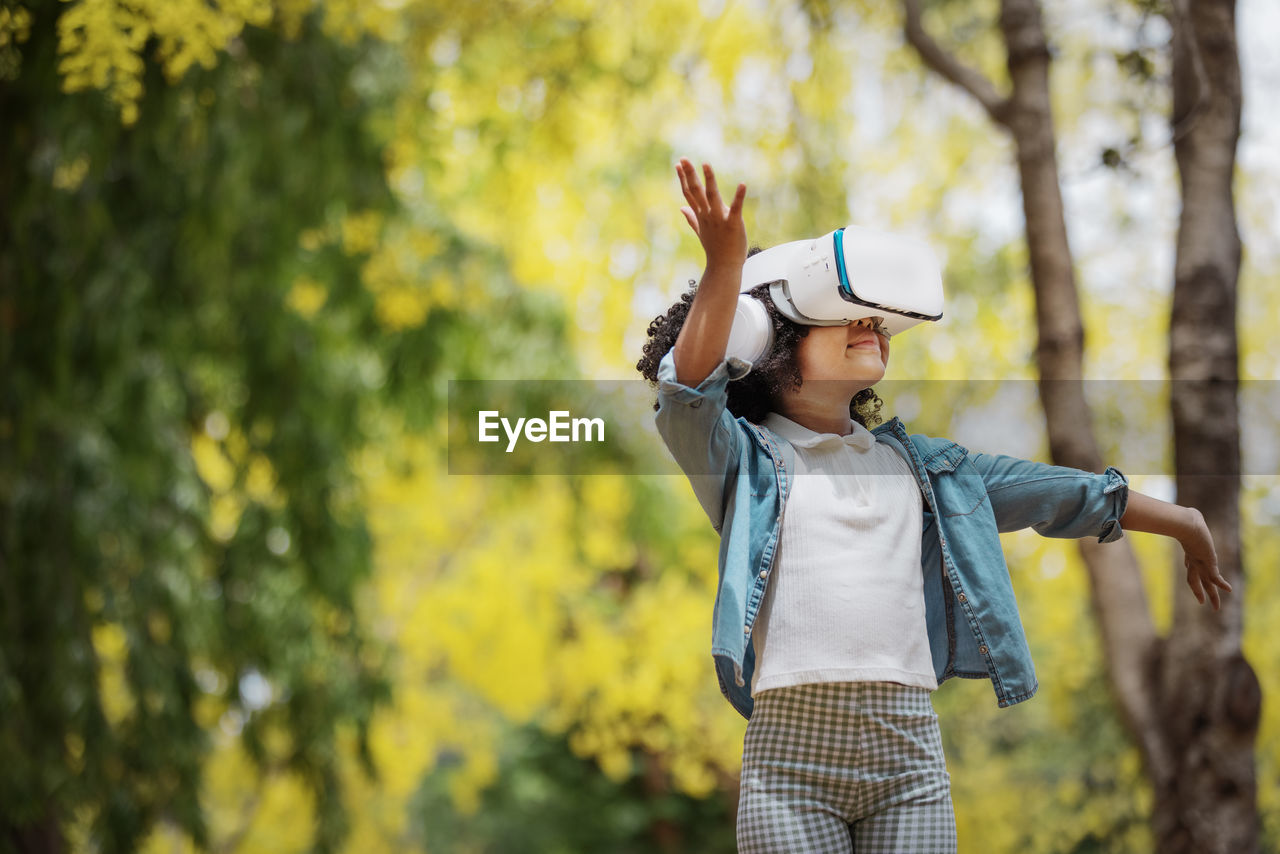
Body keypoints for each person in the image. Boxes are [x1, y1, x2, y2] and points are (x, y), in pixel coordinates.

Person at [635, 158, 1232, 853]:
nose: (874, 327)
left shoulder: (930, 472)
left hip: (909, 758)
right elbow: (687, 392)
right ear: (766, 341)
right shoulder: (743, 463)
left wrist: (1181, 521)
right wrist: (725, 271)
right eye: (849, 316)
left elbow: (1060, 494)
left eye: (881, 321)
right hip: (788, 766)